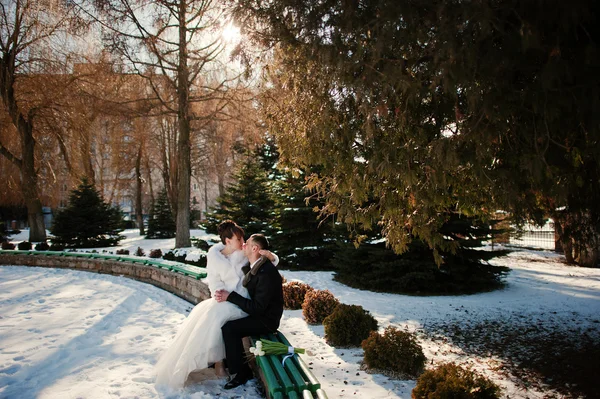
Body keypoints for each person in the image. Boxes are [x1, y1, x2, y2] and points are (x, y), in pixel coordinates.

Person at [154, 221, 279, 389]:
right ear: (227, 240)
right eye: (239, 238)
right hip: (229, 299)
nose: (243, 242)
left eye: (244, 239)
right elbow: (213, 280)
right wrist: (219, 294)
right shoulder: (214, 256)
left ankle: (229, 367)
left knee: (223, 323)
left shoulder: (244, 252)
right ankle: (215, 362)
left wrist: (271, 257)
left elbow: (261, 260)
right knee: (210, 317)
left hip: (244, 301)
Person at [214, 233, 284, 390]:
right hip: (258, 313)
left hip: (267, 320)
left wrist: (230, 297)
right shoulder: (255, 265)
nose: (243, 245)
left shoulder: (266, 272)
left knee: (230, 328)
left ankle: (241, 372)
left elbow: (258, 308)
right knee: (223, 319)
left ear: (255, 248)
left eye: (247, 243)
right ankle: (229, 360)